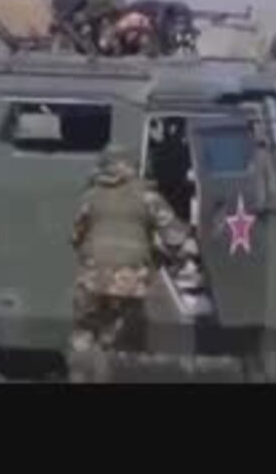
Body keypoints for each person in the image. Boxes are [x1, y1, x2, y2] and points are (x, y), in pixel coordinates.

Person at [68, 143, 189, 382]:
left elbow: (75, 237)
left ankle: (82, 376)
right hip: (129, 282)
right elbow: (175, 238)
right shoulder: (147, 197)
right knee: (117, 339)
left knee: (84, 334)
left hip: (92, 280)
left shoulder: (90, 197)